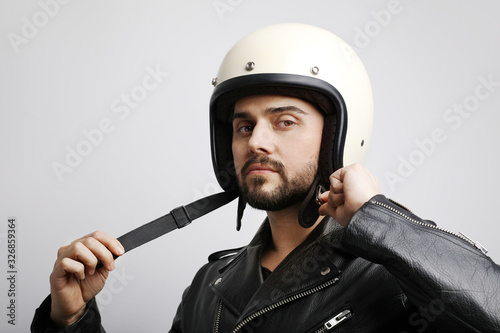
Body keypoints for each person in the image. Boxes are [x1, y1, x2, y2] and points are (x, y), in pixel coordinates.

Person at [32, 23, 500, 333]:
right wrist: (70, 320)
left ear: (337, 138)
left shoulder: (396, 276)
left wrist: (376, 219)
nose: (256, 141)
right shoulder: (208, 286)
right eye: (243, 125)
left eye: (285, 120)